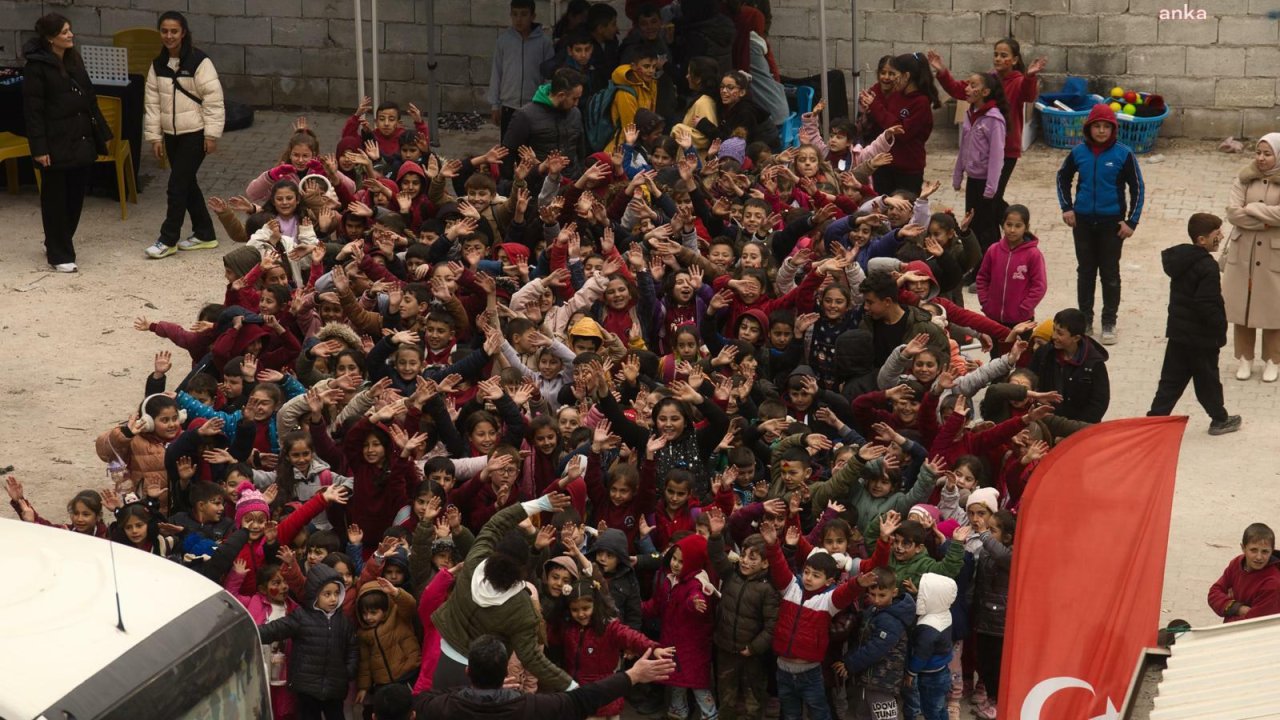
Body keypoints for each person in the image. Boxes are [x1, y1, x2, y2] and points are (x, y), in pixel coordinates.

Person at [23, 12, 110, 273]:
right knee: (55, 199)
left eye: (70, 30)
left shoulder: (74, 59)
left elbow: (90, 96)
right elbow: (33, 112)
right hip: (55, 142)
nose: (70, 35)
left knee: (75, 197)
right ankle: (60, 254)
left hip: (80, 138)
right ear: (51, 38)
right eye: (64, 32)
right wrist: (39, 149)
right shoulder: (36, 68)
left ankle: (57, 241)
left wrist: (100, 133)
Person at [412, 634, 676, 720]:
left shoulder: (440, 706)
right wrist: (632, 675)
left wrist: (471, 689)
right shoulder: (529, 706)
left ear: (469, 672)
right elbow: (583, 699)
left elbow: (422, 697)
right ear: (506, 671)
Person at [1056, 103, 1145, 345]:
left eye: (1107, 126)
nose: (1102, 131)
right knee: (1085, 272)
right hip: (1083, 222)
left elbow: (1137, 188)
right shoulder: (1078, 152)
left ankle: (1109, 322)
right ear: (1089, 128)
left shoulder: (1123, 154)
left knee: (1110, 274)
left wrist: (1131, 222)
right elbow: (1062, 177)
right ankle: (1084, 321)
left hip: (1112, 225)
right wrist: (1067, 208)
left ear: (1114, 129)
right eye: (1097, 126)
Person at [1147, 213, 1241, 435]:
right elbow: (1207, 304)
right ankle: (1219, 420)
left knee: (1170, 380)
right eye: (1217, 234)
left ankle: (1153, 421)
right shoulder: (1207, 267)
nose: (1221, 237)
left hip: (1179, 333)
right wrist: (1220, 331)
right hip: (1201, 337)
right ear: (1202, 240)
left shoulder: (1180, 259)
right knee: (1208, 380)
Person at [143, 10, 225, 260]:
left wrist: (211, 135)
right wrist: (155, 137)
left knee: (176, 185)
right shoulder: (157, 65)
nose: (169, 36)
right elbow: (152, 103)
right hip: (171, 135)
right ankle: (205, 233)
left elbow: (214, 100)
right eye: (165, 31)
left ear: (183, 33)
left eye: (174, 31)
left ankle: (168, 239)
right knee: (187, 183)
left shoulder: (200, 62)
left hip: (196, 134)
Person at [927, 38, 1047, 209]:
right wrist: (942, 72)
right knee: (979, 200)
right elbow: (957, 89)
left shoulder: (1019, 80)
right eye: (996, 54)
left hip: (1006, 150)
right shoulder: (987, 80)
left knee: (993, 198)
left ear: (1014, 60)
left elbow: (1028, 96)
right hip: (981, 150)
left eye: (1003, 55)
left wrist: (1030, 76)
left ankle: (1015, 225)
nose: (998, 58)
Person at [1221, 133, 1280, 381]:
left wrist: (1254, 209)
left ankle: (1273, 360)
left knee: (1273, 309)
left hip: (1272, 255)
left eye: (1268, 154)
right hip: (1243, 251)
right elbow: (1234, 214)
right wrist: (1266, 222)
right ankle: (1244, 359)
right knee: (1242, 306)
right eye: (1259, 153)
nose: (1262, 158)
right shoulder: (1244, 177)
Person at [486, 0, 554, 139]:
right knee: (508, 149)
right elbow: (497, 73)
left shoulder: (544, 43)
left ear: (533, 16)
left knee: (530, 150)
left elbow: (549, 75)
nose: (519, 19)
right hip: (508, 106)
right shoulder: (504, 41)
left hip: (535, 105)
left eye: (524, 14)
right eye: (515, 14)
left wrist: (547, 102)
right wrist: (495, 105)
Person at [1028, 308, 1110, 423]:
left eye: (1060, 333)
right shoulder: (1044, 353)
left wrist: (1074, 430)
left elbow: (1099, 404)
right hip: (1047, 420)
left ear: (1076, 338)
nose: (1054, 336)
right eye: (1054, 330)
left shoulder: (1094, 364)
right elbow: (1029, 378)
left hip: (1080, 428)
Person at [503, 68, 586, 175]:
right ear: (561, 95)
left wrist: (579, 172)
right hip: (539, 183)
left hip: (570, 181)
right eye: (574, 99)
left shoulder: (575, 113)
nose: (576, 104)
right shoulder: (525, 116)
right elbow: (508, 153)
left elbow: (580, 149)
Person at [1208, 522, 1280, 623]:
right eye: (1253, 550)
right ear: (1243, 548)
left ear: (1271, 551)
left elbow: (1252, 624)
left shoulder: (1273, 583)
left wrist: (1227, 607)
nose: (1259, 557)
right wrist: (1238, 608)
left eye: (1265, 551)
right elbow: (1213, 594)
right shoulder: (1236, 564)